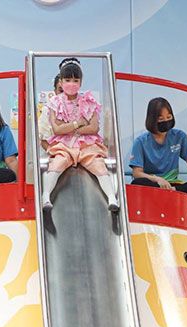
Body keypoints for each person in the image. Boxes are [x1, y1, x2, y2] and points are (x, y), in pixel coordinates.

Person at [42, 57, 118, 213]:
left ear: (81, 82)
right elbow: (57, 130)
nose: (71, 84)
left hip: (86, 144)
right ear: (61, 82)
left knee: (98, 165)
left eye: (75, 80)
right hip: (64, 145)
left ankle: (112, 198)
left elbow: (94, 128)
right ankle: (46, 196)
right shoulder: (55, 102)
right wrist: (79, 123)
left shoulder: (88, 101)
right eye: (68, 80)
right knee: (57, 164)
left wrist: (69, 128)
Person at [128, 97, 187, 198]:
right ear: (152, 120)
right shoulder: (140, 142)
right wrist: (157, 179)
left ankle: (172, 191)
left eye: (169, 117)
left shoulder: (179, 136)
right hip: (154, 185)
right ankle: (169, 192)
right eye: (161, 119)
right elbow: (137, 173)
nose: (166, 121)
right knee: (137, 183)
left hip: (175, 185)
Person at [39, 75, 63, 151]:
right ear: (55, 91)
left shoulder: (82, 109)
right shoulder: (47, 110)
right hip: (55, 155)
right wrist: (57, 154)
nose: (65, 94)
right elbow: (43, 140)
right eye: (61, 91)